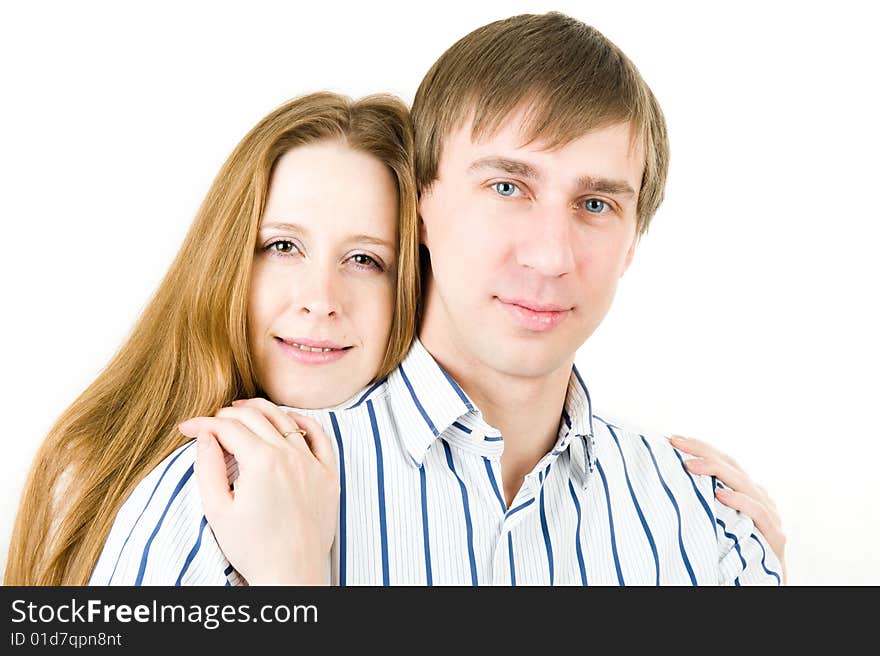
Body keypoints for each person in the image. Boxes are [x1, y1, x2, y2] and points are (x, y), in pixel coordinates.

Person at [109, 12, 781, 585]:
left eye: (597, 203)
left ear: (634, 239)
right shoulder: (229, 496)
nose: (550, 255)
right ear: (422, 202)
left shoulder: (708, 519)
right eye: (507, 188)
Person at [3, 91, 420, 585]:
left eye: (365, 259)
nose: (320, 298)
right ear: (227, 259)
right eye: (283, 246)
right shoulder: (98, 464)